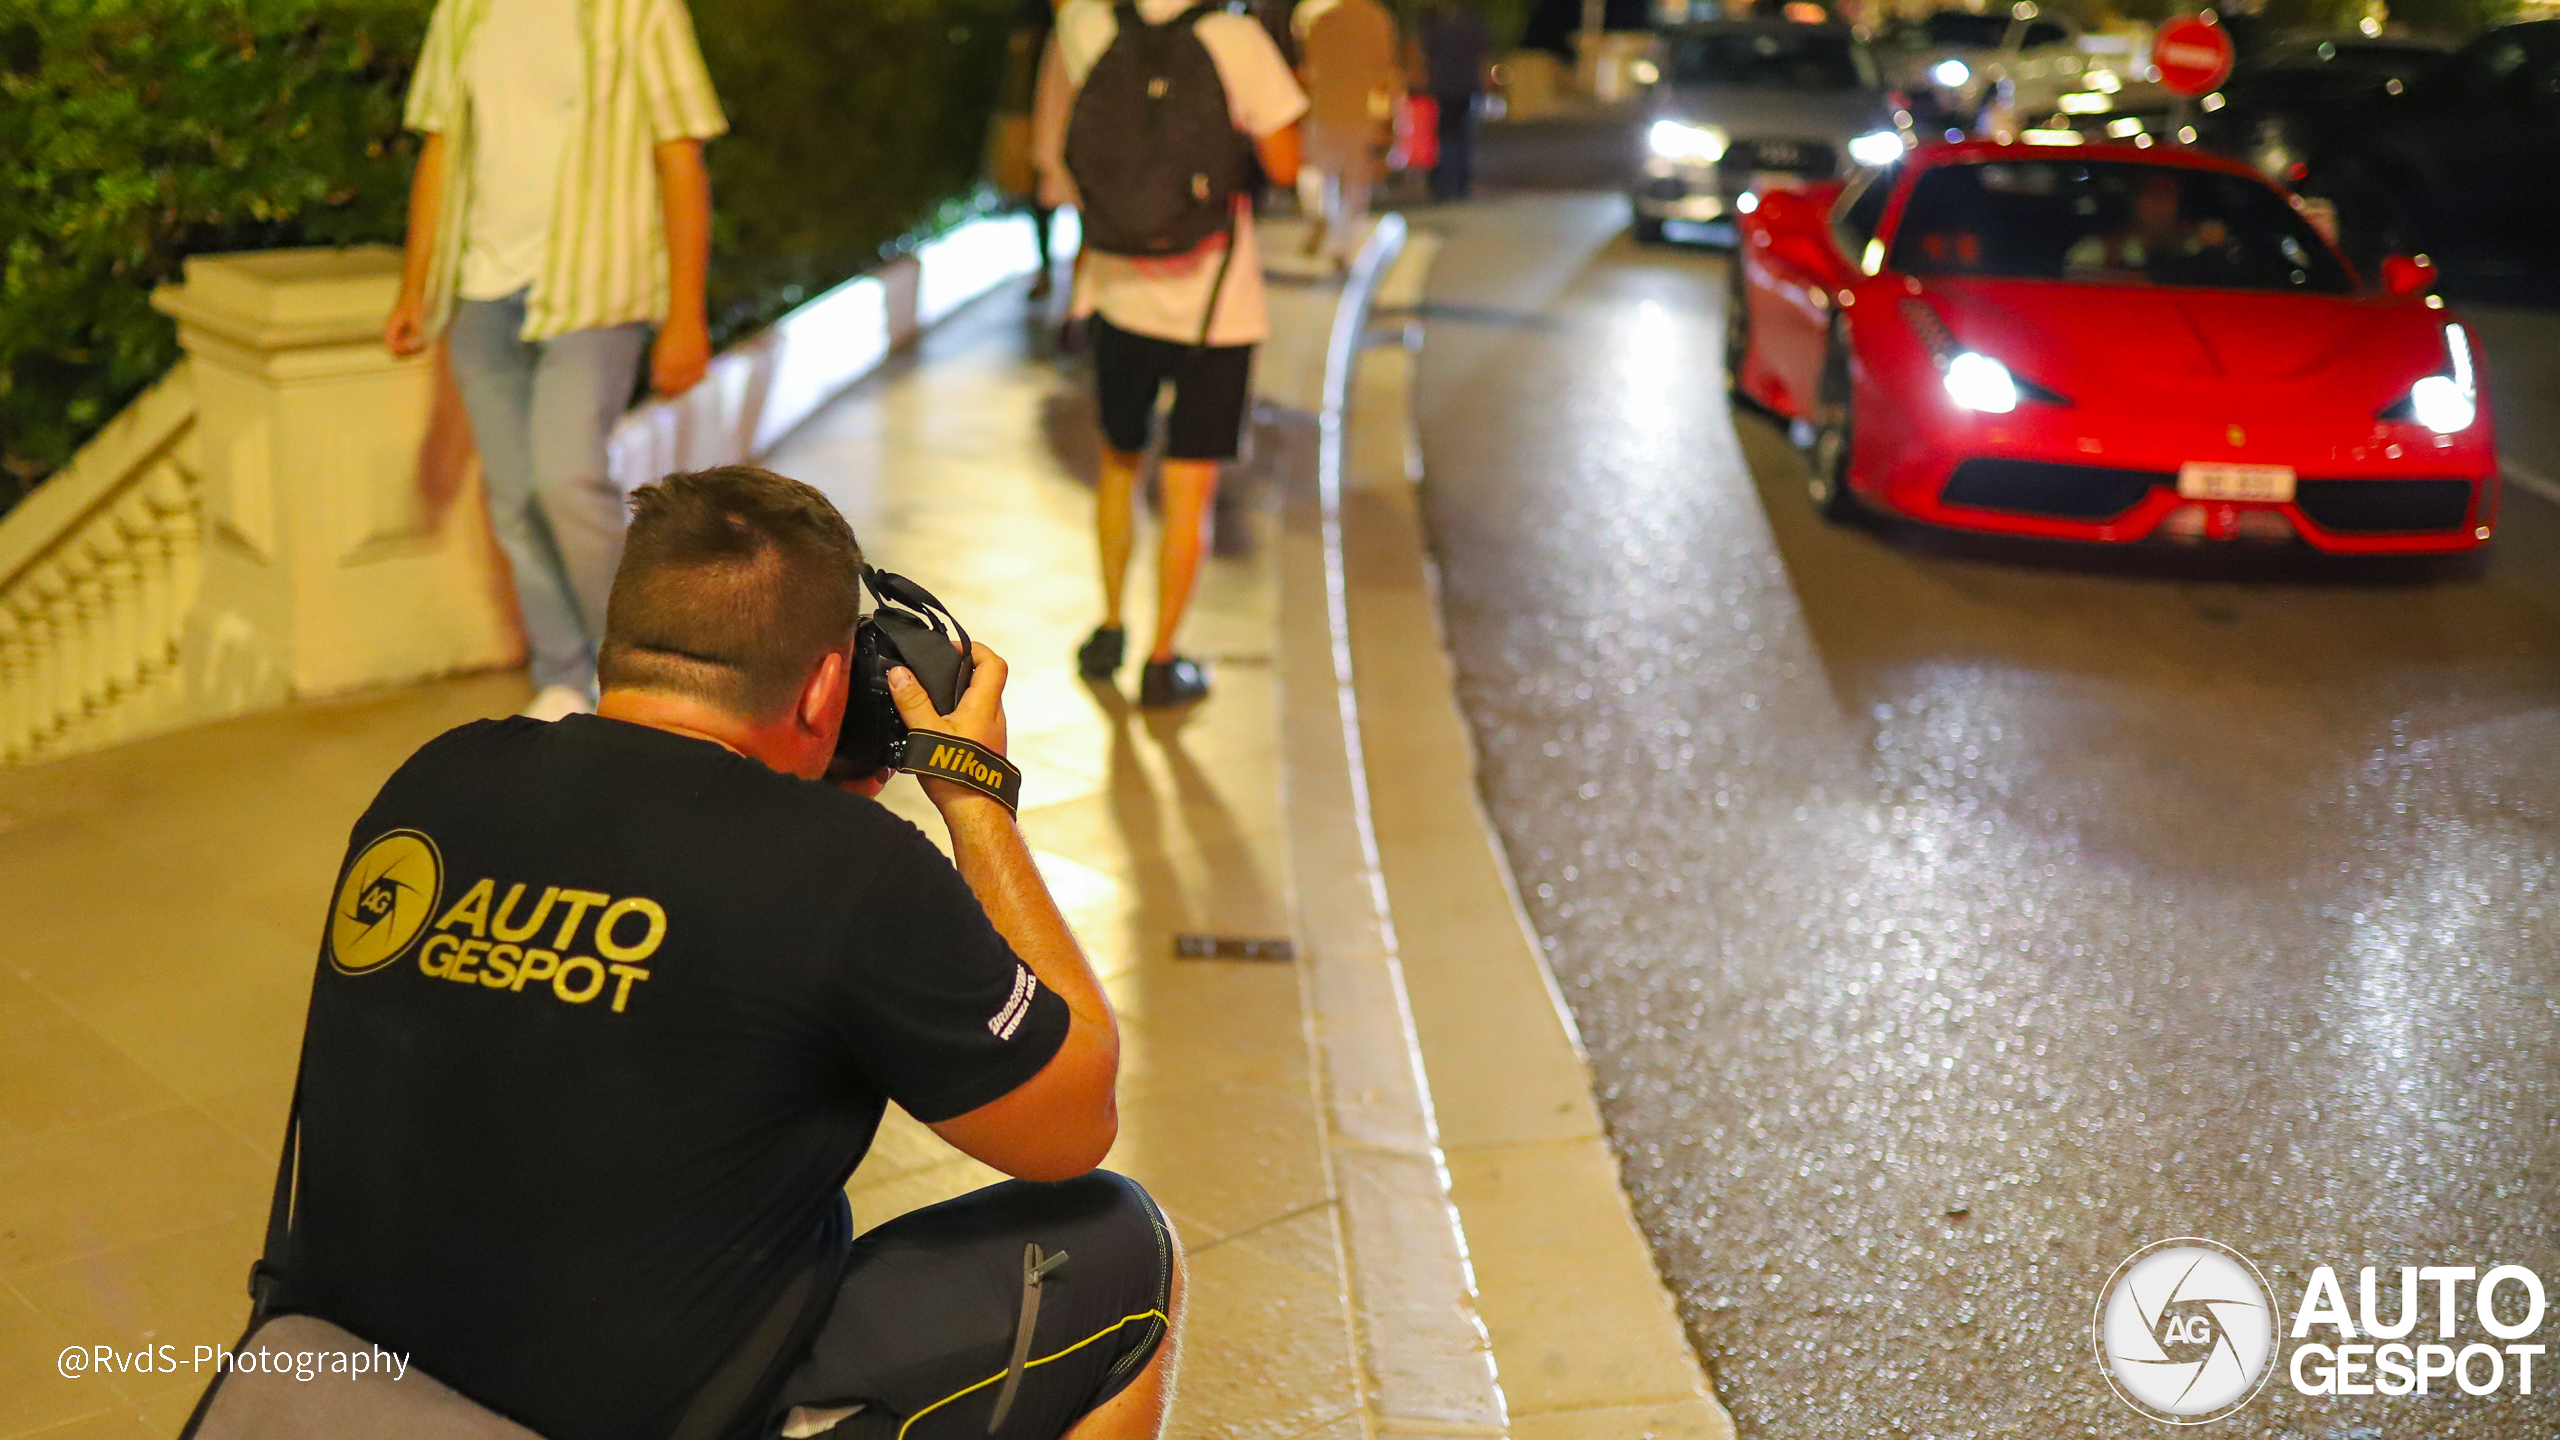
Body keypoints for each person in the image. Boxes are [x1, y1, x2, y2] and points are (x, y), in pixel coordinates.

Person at [279, 466, 1181, 1440]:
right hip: (634, 1416)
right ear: (829, 687)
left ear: (620, 643)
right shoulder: (850, 872)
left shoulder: (439, 778)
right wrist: (975, 797)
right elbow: (1071, 1122)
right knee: (1122, 1247)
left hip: (329, 1389)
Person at [383, 0, 725, 724]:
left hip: (595, 288)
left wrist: (686, 315)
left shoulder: (638, 12)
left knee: (567, 479)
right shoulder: (466, 11)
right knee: (514, 498)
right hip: (483, 291)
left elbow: (679, 155)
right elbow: (441, 146)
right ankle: (563, 673)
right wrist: (417, 288)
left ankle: (638, 674)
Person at [1053, 0, 1307, 707]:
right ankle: (1163, 660)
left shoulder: (1090, 25)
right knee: (1188, 488)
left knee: (1118, 463)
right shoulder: (1236, 37)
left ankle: (1108, 628)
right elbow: (1285, 164)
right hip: (1215, 308)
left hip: (1116, 291)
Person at [1292, 0, 1403, 271]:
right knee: (1355, 182)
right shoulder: (1377, 19)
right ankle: (1342, 245)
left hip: (1323, 108)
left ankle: (1319, 213)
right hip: (1359, 112)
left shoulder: (1320, 20)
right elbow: (1384, 71)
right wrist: (1387, 117)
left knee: (1316, 170)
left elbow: (1308, 66)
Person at [1415, 0, 1493, 202]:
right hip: (1466, 85)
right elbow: (1482, 53)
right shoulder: (1474, 22)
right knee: (1463, 134)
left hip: (1442, 85)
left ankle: (1442, 183)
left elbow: (1426, 53)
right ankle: (1461, 183)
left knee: (1443, 134)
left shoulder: (1434, 24)